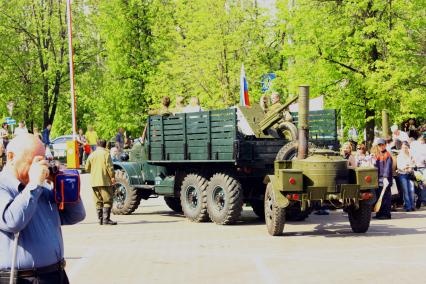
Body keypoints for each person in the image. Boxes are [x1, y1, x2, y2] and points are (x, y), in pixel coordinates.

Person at [0, 134, 85, 283]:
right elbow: (12, 221)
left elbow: (75, 215)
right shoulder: (5, 187)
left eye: (42, 160)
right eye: (33, 161)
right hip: (25, 278)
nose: (39, 167)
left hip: (56, 274)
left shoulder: (41, 188)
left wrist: (63, 184)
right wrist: (34, 185)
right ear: (11, 156)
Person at [85, 139, 117, 225]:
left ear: (97, 145)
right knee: (107, 200)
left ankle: (100, 220)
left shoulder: (92, 155)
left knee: (98, 201)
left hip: (94, 182)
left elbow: (87, 168)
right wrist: (113, 177)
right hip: (105, 181)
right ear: (105, 145)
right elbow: (110, 168)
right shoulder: (106, 154)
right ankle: (106, 220)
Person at [373, 138, 393, 219]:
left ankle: (386, 214)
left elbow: (387, 168)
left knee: (385, 198)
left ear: (385, 145)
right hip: (379, 179)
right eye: (379, 145)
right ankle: (379, 213)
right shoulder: (378, 155)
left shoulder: (387, 155)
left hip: (385, 180)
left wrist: (385, 178)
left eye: (382, 145)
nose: (381, 146)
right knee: (379, 197)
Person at [396, 141, 416, 212]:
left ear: (408, 147)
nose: (405, 149)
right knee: (406, 191)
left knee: (411, 190)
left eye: (406, 147)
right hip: (402, 175)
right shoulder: (399, 156)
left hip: (410, 174)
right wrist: (406, 167)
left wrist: (410, 166)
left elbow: (414, 164)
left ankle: (412, 205)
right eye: (403, 147)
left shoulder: (410, 155)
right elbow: (399, 166)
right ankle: (408, 206)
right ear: (401, 147)